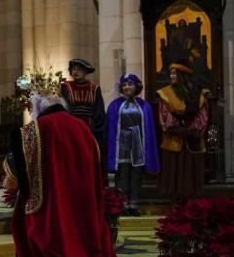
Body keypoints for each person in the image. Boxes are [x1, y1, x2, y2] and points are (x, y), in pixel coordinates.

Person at [1, 80, 179, 257]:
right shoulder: (83, 131)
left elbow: (16, 175)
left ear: (37, 110)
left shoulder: (33, 131)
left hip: (51, 226)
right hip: (84, 224)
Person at [105, 74, 160, 215]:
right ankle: (122, 205)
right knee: (122, 174)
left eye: (130, 84)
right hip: (121, 143)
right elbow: (110, 128)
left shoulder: (144, 105)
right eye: (124, 85)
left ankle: (134, 205)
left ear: (136, 87)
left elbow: (148, 129)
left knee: (136, 174)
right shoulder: (114, 105)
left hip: (137, 144)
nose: (127, 87)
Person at [156, 61, 211, 200]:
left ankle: (192, 205)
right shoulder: (166, 93)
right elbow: (164, 115)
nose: (171, 76)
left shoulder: (199, 93)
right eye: (171, 73)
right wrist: (177, 128)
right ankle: (175, 205)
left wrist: (192, 129)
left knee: (191, 175)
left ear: (183, 76)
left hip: (193, 140)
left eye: (174, 74)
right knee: (175, 174)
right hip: (174, 140)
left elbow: (203, 116)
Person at [61, 58, 107, 182]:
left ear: (86, 71)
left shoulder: (95, 88)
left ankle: (92, 182)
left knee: (91, 156)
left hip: (90, 127)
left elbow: (99, 110)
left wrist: (94, 130)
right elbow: (64, 108)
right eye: (73, 69)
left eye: (79, 69)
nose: (76, 71)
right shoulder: (66, 87)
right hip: (71, 127)